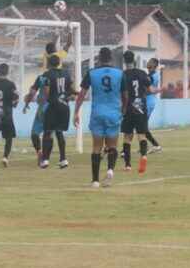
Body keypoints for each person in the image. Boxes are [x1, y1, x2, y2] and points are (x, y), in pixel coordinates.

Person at [74, 47, 127, 188]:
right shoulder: (120, 74)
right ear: (111, 58)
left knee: (96, 147)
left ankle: (95, 180)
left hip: (97, 112)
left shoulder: (91, 73)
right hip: (114, 113)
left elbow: (81, 95)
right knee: (112, 146)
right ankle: (110, 170)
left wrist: (76, 112)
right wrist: (123, 110)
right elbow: (125, 96)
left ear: (99, 58)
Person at [40, 54, 74, 169]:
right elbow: (71, 89)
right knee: (59, 132)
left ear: (49, 63)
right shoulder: (66, 73)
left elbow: (46, 92)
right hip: (64, 106)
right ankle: (63, 159)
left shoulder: (47, 75)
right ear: (59, 63)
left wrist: (44, 104)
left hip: (53, 106)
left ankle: (45, 160)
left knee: (48, 132)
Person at [121, 50, 152, 174]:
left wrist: (122, 107)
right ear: (134, 60)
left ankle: (128, 165)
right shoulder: (142, 73)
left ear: (124, 61)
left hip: (128, 106)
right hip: (140, 105)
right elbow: (149, 89)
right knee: (141, 135)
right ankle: (143, 156)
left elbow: (122, 93)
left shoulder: (122, 75)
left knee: (127, 137)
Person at [23, 74, 48, 166]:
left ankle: (39, 151)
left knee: (34, 133)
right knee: (49, 134)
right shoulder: (61, 76)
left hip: (43, 108)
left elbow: (32, 93)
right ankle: (61, 158)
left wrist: (26, 104)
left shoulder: (42, 77)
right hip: (55, 108)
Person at [145, 58, 163, 154]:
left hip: (148, 101)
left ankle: (156, 145)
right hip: (149, 100)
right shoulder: (151, 75)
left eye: (150, 62)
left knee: (142, 126)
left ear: (154, 65)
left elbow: (148, 89)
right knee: (142, 126)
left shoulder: (152, 76)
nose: (147, 63)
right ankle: (146, 146)